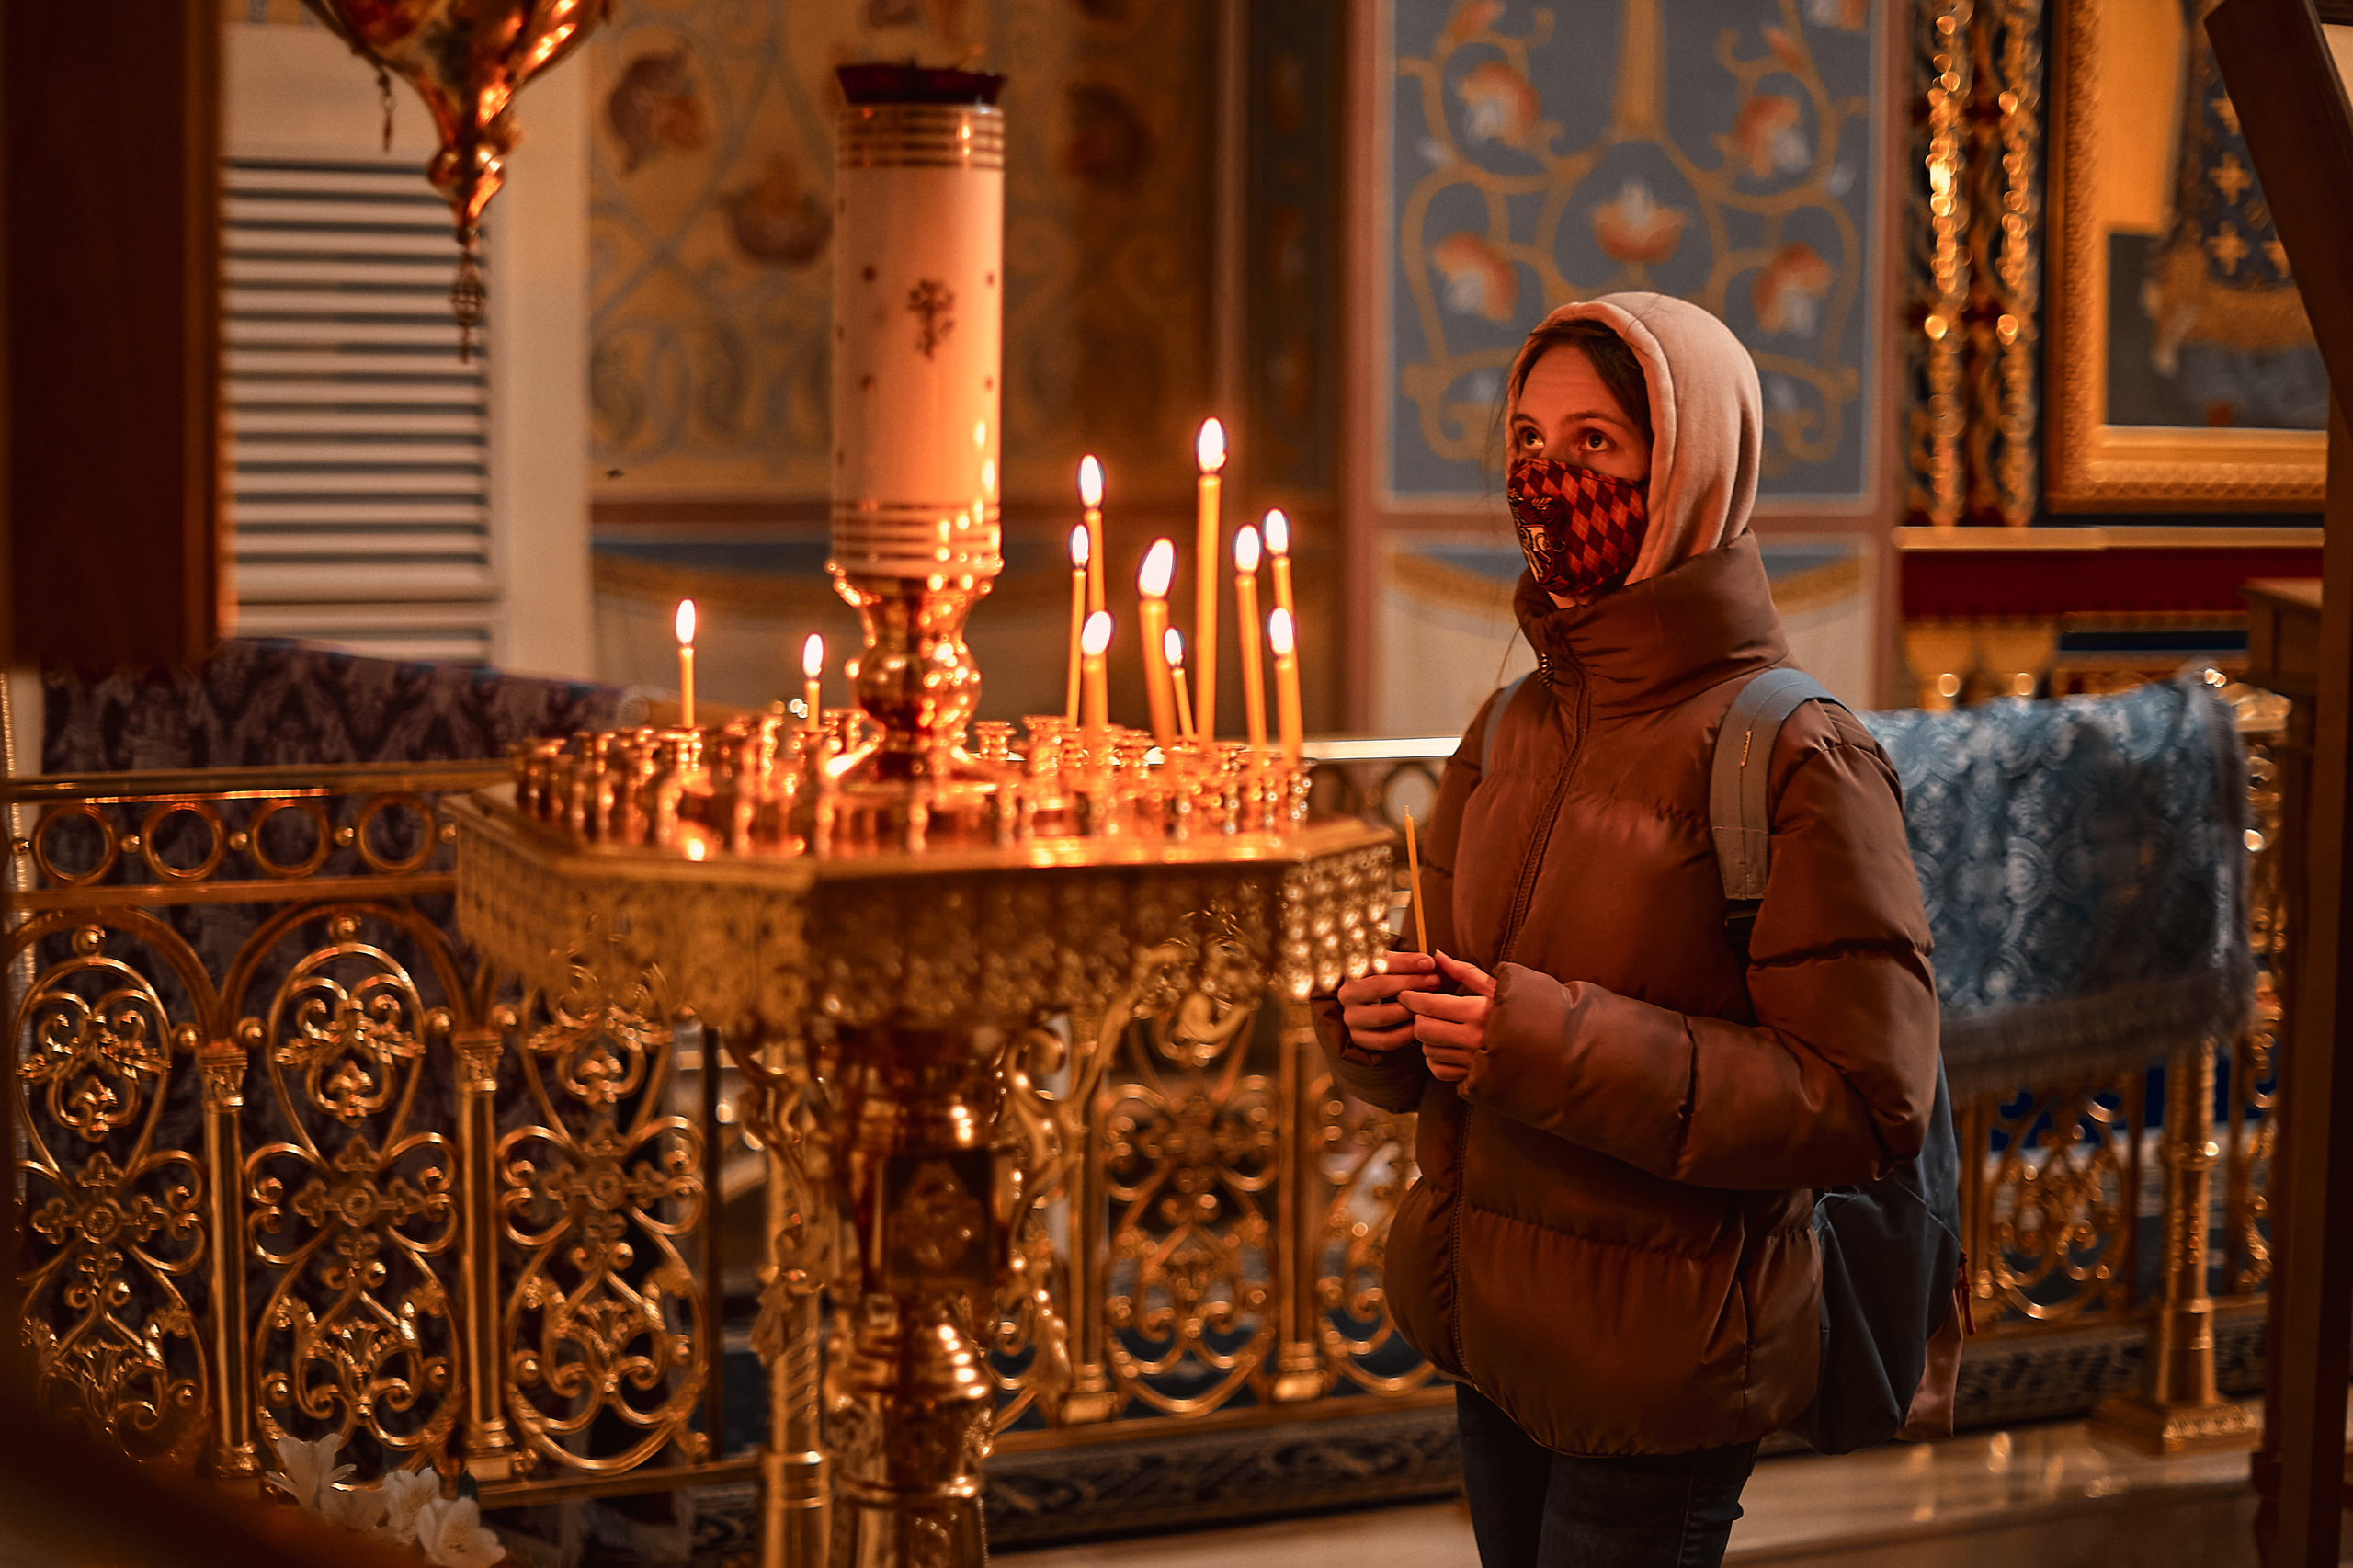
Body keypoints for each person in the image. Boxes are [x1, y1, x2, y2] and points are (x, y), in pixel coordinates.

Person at [1317, 294, 1938, 1568]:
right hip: (1493, 1330)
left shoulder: (1795, 752)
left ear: (1692, 467)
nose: (1550, 479)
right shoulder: (1510, 727)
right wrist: (1373, 1022)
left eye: (1596, 443)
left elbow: (1863, 1101)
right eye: (1528, 438)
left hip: (1667, 1365)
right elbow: (1436, 1012)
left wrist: (1532, 1036)